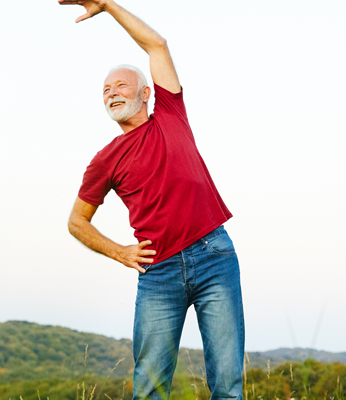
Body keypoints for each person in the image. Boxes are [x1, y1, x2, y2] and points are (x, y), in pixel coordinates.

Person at [57, 1, 244, 399]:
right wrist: (120, 252)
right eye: (105, 90)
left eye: (120, 86)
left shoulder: (171, 114)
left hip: (214, 255)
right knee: (150, 388)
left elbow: (157, 44)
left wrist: (107, 5)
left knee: (228, 384)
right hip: (158, 272)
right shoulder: (105, 160)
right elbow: (76, 222)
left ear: (146, 93)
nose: (112, 93)